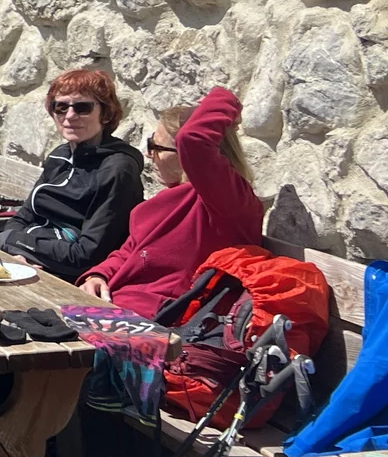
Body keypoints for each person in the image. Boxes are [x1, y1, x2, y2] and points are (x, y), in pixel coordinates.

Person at [79, 86, 262, 314]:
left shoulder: (226, 199)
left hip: (161, 322)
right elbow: (130, 251)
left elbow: (193, 139)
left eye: (155, 147)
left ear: (185, 156)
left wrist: (225, 97)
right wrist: (99, 275)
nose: (149, 154)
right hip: (115, 306)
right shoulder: (169, 198)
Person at [0, 69, 144, 281]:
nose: (70, 116)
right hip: (31, 258)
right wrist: (17, 248)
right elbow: (23, 217)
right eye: (61, 107)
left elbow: (86, 255)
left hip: (70, 277)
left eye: (83, 107)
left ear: (106, 114)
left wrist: (15, 242)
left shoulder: (118, 170)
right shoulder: (60, 155)